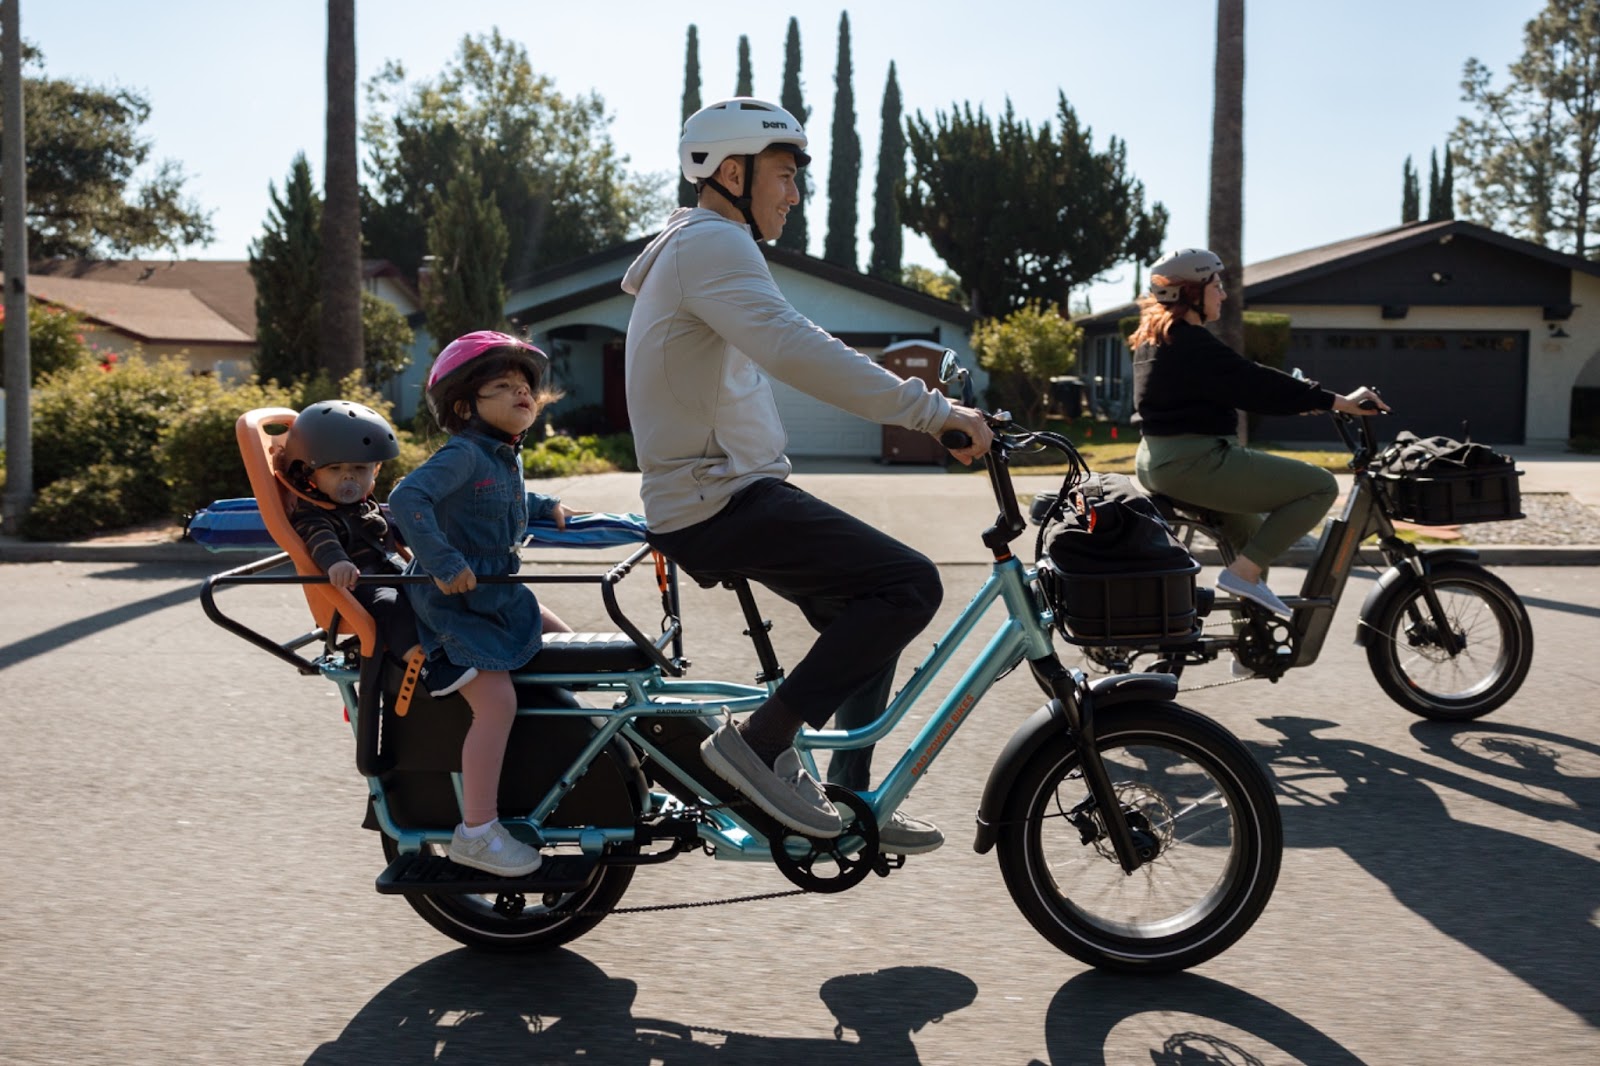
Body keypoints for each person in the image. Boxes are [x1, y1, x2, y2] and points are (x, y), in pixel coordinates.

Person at [621, 97, 994, 850]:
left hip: (728, 492)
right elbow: (797, 346)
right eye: (784, 175)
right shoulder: (709, 244)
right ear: (732, 172)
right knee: (909, 585)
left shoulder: (703, 246)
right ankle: (757, 745)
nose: (793, 194)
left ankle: (851, 805)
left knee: (872, 616)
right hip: (717, 499)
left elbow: (781, 347)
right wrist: (931, 411)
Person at [388, 330, 584, 877]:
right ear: (464, 405)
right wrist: (445, 562)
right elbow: (407, 497)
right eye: (503, 385)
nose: (522, 392)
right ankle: (477, 831)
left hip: (496, 599)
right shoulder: (464, 453)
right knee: (495, 703)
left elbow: (508, 499)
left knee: (568, 645)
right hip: (454, 610)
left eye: (525, 385)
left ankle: (569, 753)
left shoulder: (502, 456)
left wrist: (547, 505)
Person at [1130, 247, 1388, 626]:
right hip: (1193, 462)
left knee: (1250, 531)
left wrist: (1307, 399)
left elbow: (1241, 384)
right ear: (1191, 293)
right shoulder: (1191, 343)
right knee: (1319, 486)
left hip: (1157, 462)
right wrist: (1339, 402)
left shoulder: (1159, 341)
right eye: (1216, 285)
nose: (1223, 293)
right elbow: (1250, 379)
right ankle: (1241, 576)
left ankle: (1250, 639)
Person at [274, 399, 418, 663]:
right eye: (335, 469)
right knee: (392, 606)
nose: (348, 477)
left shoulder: (364, 503)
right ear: (310, 474)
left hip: (390, 574)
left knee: (436, 588)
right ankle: (419, 661)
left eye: (359, 468)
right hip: (358, 587)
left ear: (375, 471)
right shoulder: (314, 512)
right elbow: (320, 538)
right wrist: (337, 561)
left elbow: (390, 529)